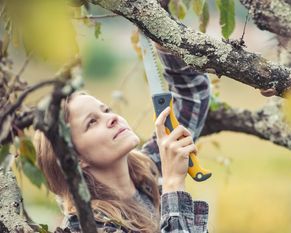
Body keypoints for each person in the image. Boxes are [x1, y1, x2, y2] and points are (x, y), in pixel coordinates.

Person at [34, 46, 211, 233]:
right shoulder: (88, 227)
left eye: (106, 110)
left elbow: (193, 96)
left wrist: (163, 37)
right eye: (92, 122)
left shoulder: (147, 173)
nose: (112, 118)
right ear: (74, 159)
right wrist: (173, 184)